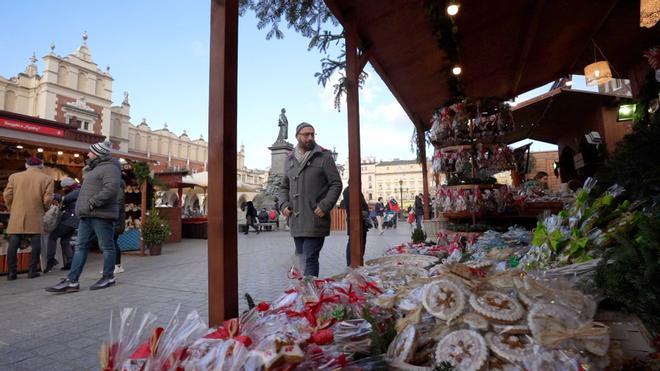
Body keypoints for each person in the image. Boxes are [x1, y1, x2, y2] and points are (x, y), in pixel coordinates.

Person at [47, 140, 120, 292]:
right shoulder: (95, 169)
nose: (87, 154)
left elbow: (111, 189)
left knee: (106, 247)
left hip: (101, 214)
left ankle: (108, 277)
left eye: (90, 152)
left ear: (98, 153)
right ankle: (72, 281)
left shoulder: (110, 168)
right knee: (80, 247)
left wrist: (92, 202)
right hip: (87, 215)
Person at [279, 122, 342, 277]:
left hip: (315, 218)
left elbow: (336, 184)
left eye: (312, 134)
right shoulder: (289, 159)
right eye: (306, 134)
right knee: (300, 259)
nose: (310, 137)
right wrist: (283, 205)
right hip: (296, 220)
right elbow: (283, 187)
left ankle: (309, 296)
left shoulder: (324, 156)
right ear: (297, 136)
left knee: (309, 258)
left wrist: (325, 205)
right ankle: (305, 293)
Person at [3, 156, 54, 280]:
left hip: (17, 213)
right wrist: (44, 209)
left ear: (26, 165)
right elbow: (48, 199)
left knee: (14, 241)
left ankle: (11, 273)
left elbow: (7, 195)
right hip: (35, 213)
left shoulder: (14, 177)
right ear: (41, 166)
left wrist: (12, 207)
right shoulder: (47, 179)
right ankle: (32, 271)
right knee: (35, 240)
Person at [44, 177, 79, 273]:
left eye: (64, 188)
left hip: (71, 220)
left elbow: (65, 199)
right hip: (73, 221)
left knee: (52, 236)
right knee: (65, 241)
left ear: (68, 186)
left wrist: (52, 195)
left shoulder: (77, 191)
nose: (63, 189)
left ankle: (50, 260)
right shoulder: (76, 190)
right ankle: (71, 262)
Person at [340, 186, 369, 266]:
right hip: (354, 222)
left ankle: (358, 262)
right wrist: (362, 212)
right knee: (353, 243)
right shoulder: (348, 191)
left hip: (362, 222)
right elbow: (351, 207)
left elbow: (364, 205)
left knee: (362, 243)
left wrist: (365, 212)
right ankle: (351, 264)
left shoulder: (357, 190)